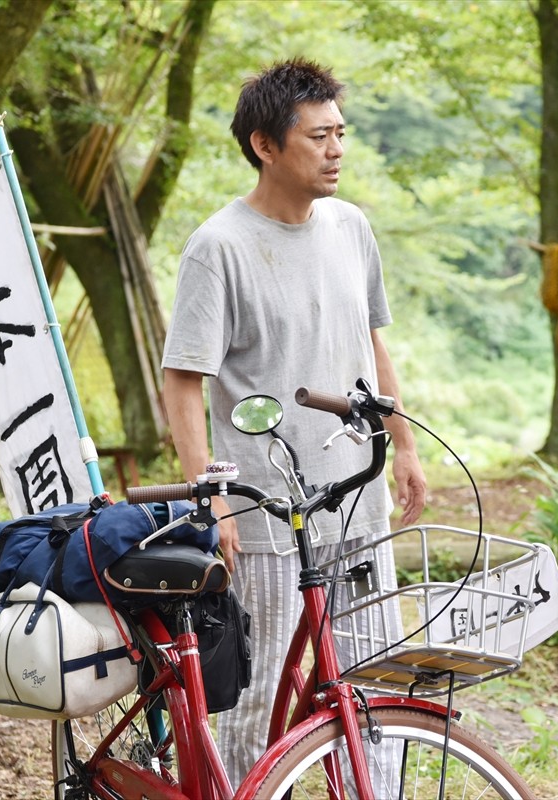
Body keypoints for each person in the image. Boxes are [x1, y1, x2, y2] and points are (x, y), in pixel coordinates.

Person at [161, 58, 427, 786]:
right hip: (269, 512)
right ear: (265, 146)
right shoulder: (219, 247)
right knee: (258, 695)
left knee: (376, 682)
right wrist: (210, 495)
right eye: (318, 136)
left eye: (341, 133)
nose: (336, 149)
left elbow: (372, 340)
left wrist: (402, 443)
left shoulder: (351, 227)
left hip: (357, 499)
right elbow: (184, 379)